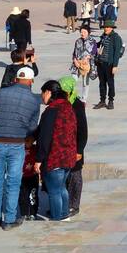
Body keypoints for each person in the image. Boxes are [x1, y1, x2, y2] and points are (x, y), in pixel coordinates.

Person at [0, 66, 41, 230]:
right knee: (13, 182)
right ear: (30, 81)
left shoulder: (2, 93)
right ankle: (9, 220)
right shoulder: (34, 101)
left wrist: (0, 125)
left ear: (16, 79)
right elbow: (32, 127)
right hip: (17, 144)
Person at [33, 79, 78, 222]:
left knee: (54, 191)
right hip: (68, 157)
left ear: (48, 92)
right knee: (61, 188)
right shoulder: (68, 108)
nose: (41, 97)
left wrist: (39, 159)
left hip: (55, 157)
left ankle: (57, 218)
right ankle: (64, 215)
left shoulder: (51, 111)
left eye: (42, 93)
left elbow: (44, 138)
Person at [58, 76, 88, 218]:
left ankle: (74, 204)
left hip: (75, 146)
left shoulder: (77, 105)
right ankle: (63, 204)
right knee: (64, 175)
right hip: (62, 146)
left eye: (64, 91)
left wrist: (79, 150)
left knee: (75, 175)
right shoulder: (59, 104)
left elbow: (83, 130)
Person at [93, 23, 124, 110]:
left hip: (109, 64)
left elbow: (117, 53)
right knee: (101, 83)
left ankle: (111, 101)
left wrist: (115, 66)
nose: (106, 29)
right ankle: (102, 101)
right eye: (105, 27)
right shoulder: (103, 36)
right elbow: (98, 45)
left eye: (107, 27)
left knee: (110, 83)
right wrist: (92, 43)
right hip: (101, 63)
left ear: (111, 28)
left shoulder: (115, 37)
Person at [70, 24, 98, 102]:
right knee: (72, 81)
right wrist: (75, 60)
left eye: (84, 32)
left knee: (85, 83)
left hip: (86, 65)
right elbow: (74, 52)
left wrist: (88, 57)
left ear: (88, 32)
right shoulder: (78, 41)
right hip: (76, 64)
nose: (82, 34)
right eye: (81, 32)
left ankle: (84, 99)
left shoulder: (93, 41)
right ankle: (72, 97)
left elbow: (94, 53)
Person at [18, 133, 40, 222]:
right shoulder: (19, 149)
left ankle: (33, 213)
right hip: (22, 177)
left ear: (33, 141)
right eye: (24, 140)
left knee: (33, 195)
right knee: (22, 196)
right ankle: (24, 213)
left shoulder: (35, 149)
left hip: (33, 176)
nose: (26, 143)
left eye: (28, 141)